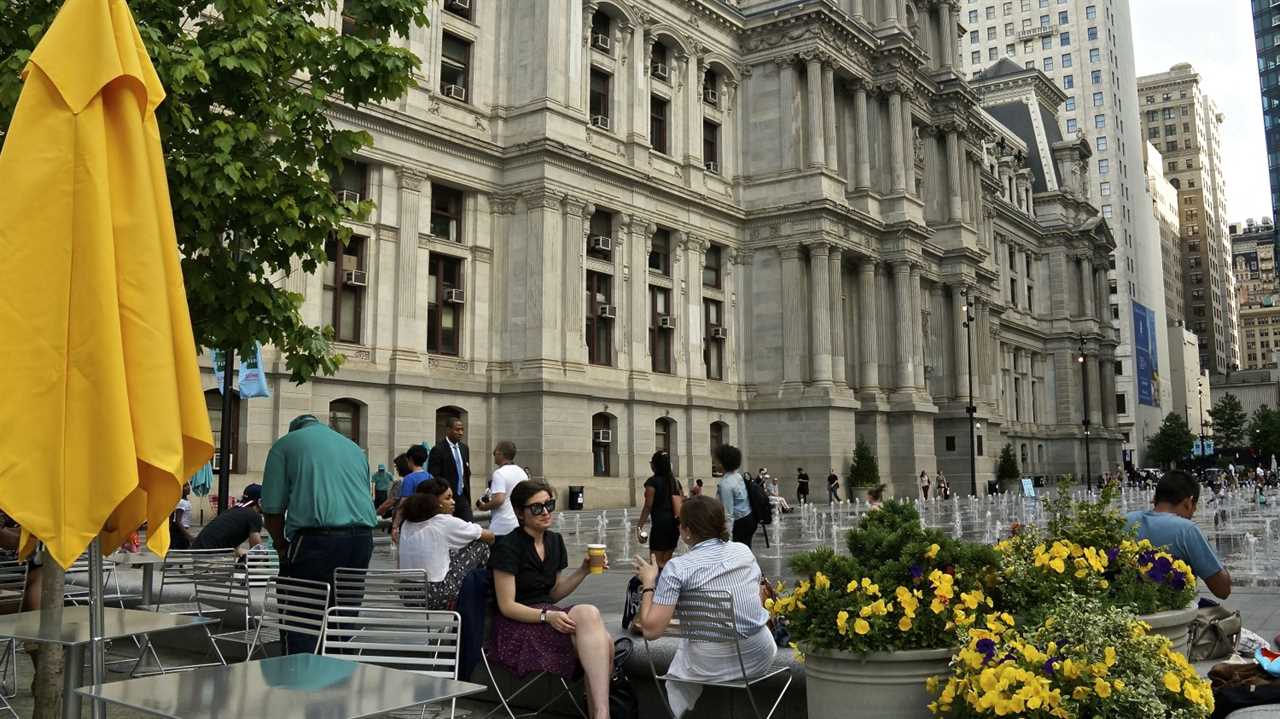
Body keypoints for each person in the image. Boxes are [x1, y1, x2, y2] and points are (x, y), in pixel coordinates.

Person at [632, 495, 777, 718]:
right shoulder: (743, 551)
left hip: (708, 665)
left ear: (688, 531)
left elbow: (651, 631)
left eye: (680, 523)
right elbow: (755, 602)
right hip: (760, 654)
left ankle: (681, 713)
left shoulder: (677, 568)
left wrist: (649, 582)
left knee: (687, 650)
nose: (678, 527)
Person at [489, 481, 613, 719]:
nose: (545, 512)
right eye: (536, 508)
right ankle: (601, 714)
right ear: (519, 513)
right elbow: (507, 606)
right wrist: (547, 616)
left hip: (547, 614)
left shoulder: (554, 541)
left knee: (603, 639)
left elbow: (553, 593)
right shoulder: (507, 546)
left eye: (549, 505)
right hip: (516, 624)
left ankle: (600, 713)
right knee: (591, 619)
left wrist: (583, 570)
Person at [261, 414, 378, 654]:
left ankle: (301, 677)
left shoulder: (285, 445)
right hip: (362, 539)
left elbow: (272, 510)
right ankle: (339, 671)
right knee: (345, 612)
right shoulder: (354, 448)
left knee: (302, 614)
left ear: (294, 429)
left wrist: (280, 545)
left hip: (317, 539)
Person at [1124, 470, 1231, 600]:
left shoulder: (1126, 521)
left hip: (1125, 611)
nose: (1193, 513)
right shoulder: (1187, 530)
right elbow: (1223, 590)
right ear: (1188, 502)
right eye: (1194, 507)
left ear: (1155, 498)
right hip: (1172, 616)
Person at [399, 479, 495, 609]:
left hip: (408, 595)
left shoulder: (406, 524)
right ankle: (486, 598)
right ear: (434, 501)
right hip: (435, 596)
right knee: (481, 546)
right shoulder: (443, 522)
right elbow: (490, 536)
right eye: (448, 498)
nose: (453, 502)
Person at [637, 451, 684, 567]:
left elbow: (648, 506)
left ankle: (655, 584)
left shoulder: (652, 482)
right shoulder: (676, 482)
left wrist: (639, 526)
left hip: (660, 525)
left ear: (654, 465)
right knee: (667, 560)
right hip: (674, 525)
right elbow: (681, 503)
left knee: (655, 562)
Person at [475, 441, 527, 537]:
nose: (494, 455)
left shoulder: (499, 473)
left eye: (494, 452)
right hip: (519, 523)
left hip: (502, 526)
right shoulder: (522, 472)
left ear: (500, 454)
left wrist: (483, 507)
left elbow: (499, 499)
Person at [191, 484, 264, 551]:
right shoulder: (254, 516)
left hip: (198, 552)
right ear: (260, 502)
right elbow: (257, 550)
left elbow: (230, 538)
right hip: (211, 557)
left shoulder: (234, 510)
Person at [430, 417, 474, 521]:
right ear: (448, 430)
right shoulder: (438, 449)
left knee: (469, 527)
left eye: (462, 429)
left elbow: (466, 472)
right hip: (447, 498)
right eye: (457, 429)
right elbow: (434, 476)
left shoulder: (464, 448)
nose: (461, 432)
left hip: (463, 497)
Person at [392, 445, 433, 543]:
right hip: (428, 522)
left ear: (410, 459)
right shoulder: (430, 477)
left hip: (412, 522)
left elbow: (403, 503)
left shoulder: (409, 479)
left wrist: (395, 526)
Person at [715, 444, 754, 547]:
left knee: (736, 554)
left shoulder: (726, 484)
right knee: (745, 551)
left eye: (717, 460)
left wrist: (727, 537)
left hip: (739, 523)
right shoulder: (738, 476)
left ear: (723, 463)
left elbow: (728, 514)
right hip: (749, 518)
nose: (714, 463)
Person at [169, 485, 193, 550]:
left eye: (188, 485)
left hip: (180, 530)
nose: (188, 487)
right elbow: (178, 521)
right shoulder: (181, 502)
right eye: (185, 486)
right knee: (181, 552)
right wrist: (188, 536)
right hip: (179, 531)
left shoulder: (185, 501)